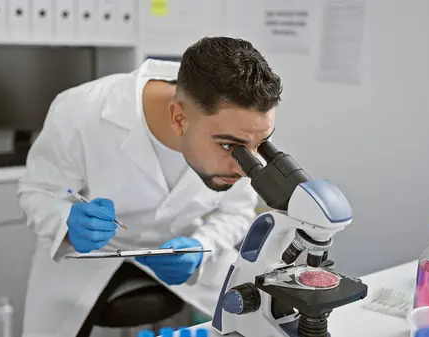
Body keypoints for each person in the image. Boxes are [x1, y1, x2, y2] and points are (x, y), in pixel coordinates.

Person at [17, 36, 282, 337]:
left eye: (259, 145)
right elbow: (38, 191)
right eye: (228, 146)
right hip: (87, 260)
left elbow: (237, 212)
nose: (245, 167)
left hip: (182, 252)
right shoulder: (81, 110)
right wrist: (67, 224)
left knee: (256, 325)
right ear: (179, 118)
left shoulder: (239, 126)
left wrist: (200, 247)